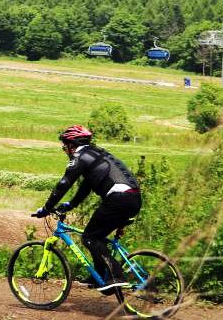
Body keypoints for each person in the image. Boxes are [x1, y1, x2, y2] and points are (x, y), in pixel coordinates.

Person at [34, 125, 142, 292]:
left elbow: (64, 183)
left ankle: (116, 276)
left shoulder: (80, 157)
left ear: (71, 144)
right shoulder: (96, 154)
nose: (64, 150)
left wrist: (47, 208)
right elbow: (86, 186)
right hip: (132, 199)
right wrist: (71, 204)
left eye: (64, 146)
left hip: (119, 199)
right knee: (96, 236)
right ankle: (100, 275)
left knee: (90, 238)